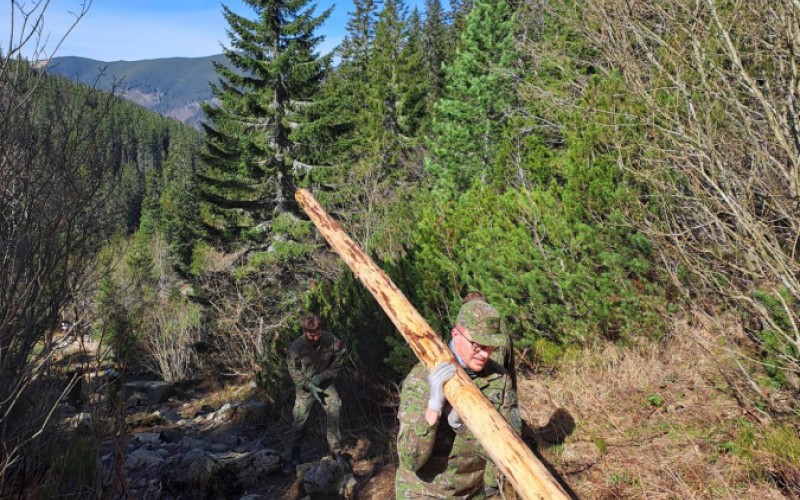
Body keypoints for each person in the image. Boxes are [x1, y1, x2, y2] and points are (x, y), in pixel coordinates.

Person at [395, 301, 521, 498]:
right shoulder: (422, 378)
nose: (484, 354)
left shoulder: (498, 379)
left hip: (471, 492)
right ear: (456, 335)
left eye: (490, 347)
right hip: (424, 492)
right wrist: (433, 409)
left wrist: (466, 428)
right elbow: (410, 459)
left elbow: (511, 450)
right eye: (477, 345)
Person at [285, 312, 347, 469]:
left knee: (335, 408)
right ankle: (295, 453)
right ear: (305, 331)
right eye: (312, 335)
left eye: (318, 333)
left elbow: (341, 354)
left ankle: (336, 451)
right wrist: (310, 386)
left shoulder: (329, 339)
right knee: (300, 418)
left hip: (325, 384)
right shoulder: (296, 347)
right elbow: (294, 372)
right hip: (305, 389)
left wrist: (326, 375)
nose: (316, 337)